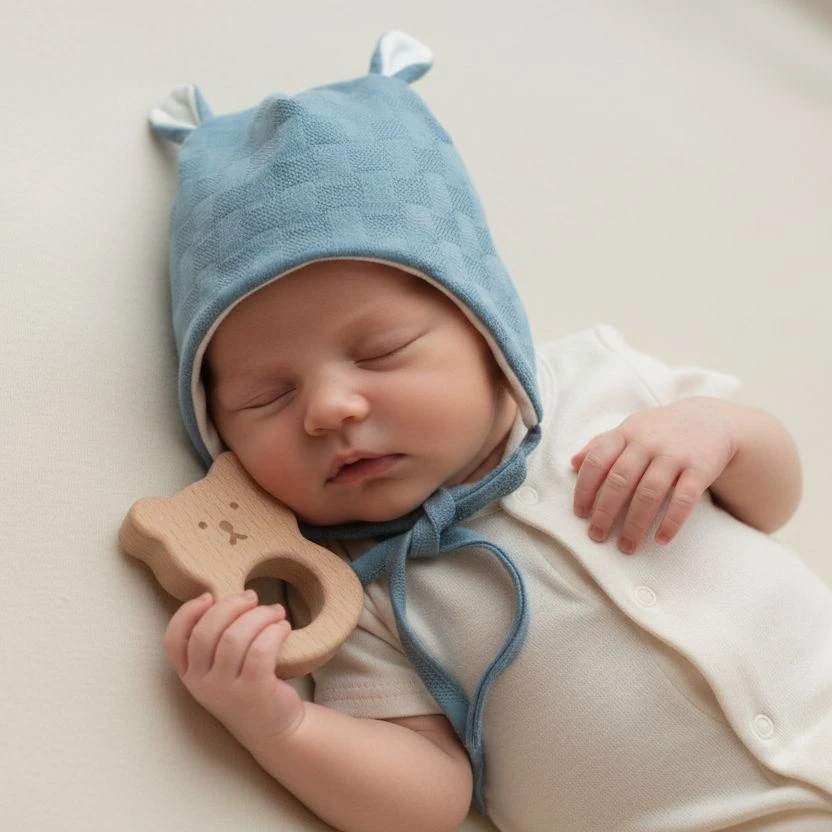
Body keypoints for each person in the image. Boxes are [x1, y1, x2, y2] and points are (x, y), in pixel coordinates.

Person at [149, 31, 832, 832]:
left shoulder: (600, 384)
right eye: (266, 397)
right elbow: (429, 800)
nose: (328, 409)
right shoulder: (363, 590)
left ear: (487, 331)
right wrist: (279, 724)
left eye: (381, 351)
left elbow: (771, 500)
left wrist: (719, 433)